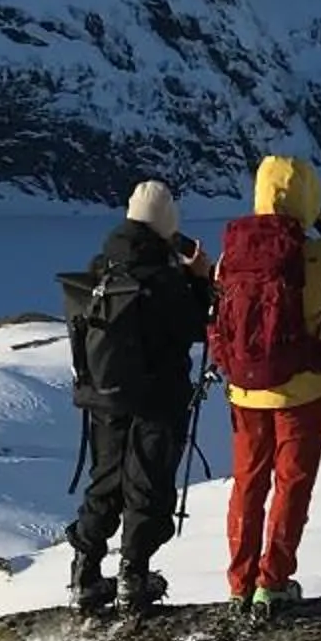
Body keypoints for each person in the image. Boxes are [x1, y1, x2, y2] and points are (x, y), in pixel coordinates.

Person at [64, 179, 214, 617]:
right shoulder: (163, 276)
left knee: (106, 480)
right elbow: (195, 327)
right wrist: (199, 280)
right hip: (158, 397)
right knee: (146, 483)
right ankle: (134, 574)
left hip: (105, 395)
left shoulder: (102, 265)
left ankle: (85, 572)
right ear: (166, 223)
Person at [213, 155, 321, 624]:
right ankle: (274, 581)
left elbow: (219, 317)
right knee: (292, 482)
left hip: (245, 389)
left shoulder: (233, 254)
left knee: (248, 482)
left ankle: (239, 583)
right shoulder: (317, 255)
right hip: (302, 389)